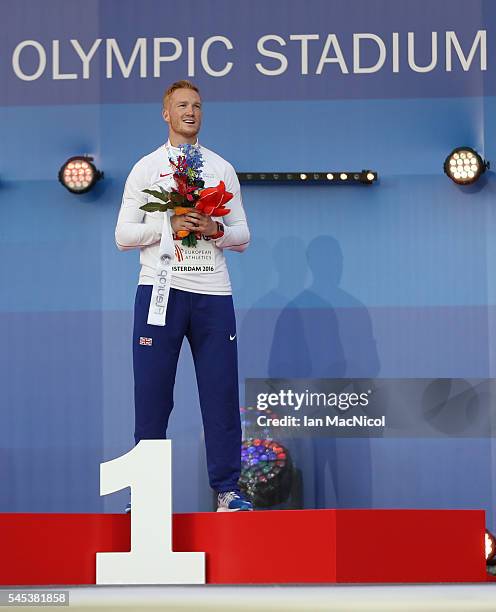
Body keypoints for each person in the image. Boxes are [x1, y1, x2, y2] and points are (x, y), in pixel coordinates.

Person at [115, 80, 252, 512]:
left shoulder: (221, 168)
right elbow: (122, 235)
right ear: (166, 114)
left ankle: (228, 491)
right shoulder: (146, 168)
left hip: (212, 293)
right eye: (181, 106)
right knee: (153, 394)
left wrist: (215, 230)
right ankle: (146, 497)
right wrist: (166, 227)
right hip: (160, 292)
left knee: (221, 394)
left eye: (196, 105)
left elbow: (244, 235)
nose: (190, 111)